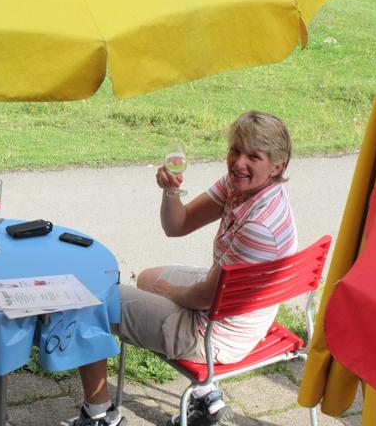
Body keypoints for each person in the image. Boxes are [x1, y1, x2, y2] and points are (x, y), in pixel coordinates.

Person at [71, 111, 297, 426]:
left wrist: (172, 293)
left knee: (93, 301)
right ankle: (207, 397)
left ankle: (98, 415)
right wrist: (171, 191)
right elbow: (178, 225)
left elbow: (204, 297)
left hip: (216, 334)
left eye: (253, 156)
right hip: (234, 310)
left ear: (277, 166)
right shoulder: (241, 187)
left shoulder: (261, 226)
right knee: (148, 278)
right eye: (235, 150)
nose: (238, 162)